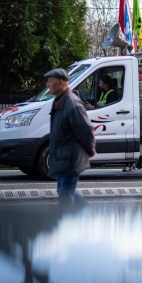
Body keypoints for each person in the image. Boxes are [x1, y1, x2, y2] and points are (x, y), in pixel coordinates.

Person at [44, 68, 96, 205]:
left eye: (50, 81)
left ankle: (67, 224)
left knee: (65, 195)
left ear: (60, 83)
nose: (47, 84)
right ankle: (88, 215)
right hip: (63, 157)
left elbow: (85, 130)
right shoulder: (60, 101)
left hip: (70, 158)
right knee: (65, 192)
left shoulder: (71, 103)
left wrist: (90, 151)